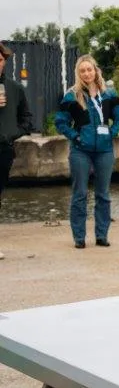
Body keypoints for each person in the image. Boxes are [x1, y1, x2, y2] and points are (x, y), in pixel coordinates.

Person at [54, 55, 119, 249]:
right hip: (80, 151)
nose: (86, 73)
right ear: (78, 73)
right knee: (80, 194)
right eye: (82, 70)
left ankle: (102, 235)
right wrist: (75, 136)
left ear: (96, 70)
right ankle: (79, 237)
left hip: (104, 150)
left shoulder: (109, 94)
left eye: (89, 69)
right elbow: (60, 122)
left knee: (103, 194)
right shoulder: (72, 95)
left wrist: (112, 133)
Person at [0, 42, 34, 259]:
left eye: (0, 59)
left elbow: (27, 120)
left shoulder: (14, 88)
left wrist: (11, 134)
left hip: (3, 150)